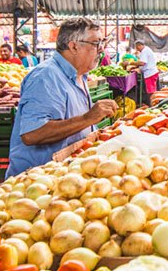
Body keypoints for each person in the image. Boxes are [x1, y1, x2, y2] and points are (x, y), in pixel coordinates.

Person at [7, 18, 118, 177]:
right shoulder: (45, 77)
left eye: (102, 43)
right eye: (96, 43)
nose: (101, 50)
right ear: (73, 46)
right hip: (37, 181)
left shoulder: (79, 75)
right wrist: (88, 118)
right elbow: (32, 134)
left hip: (66, 175)